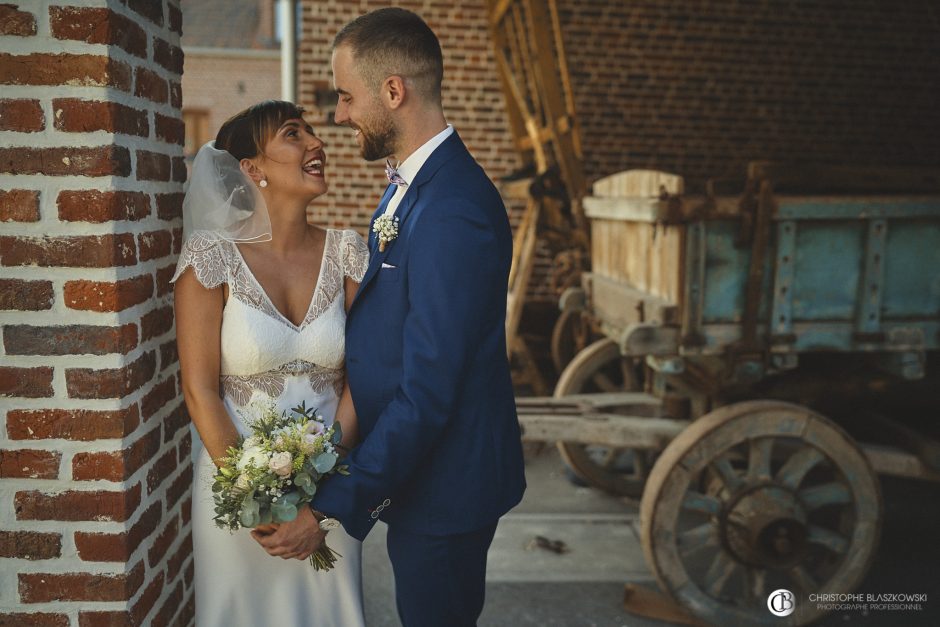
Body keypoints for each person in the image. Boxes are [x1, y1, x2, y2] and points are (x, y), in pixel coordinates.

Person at [252, 8, 527, 626]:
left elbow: (428, 391)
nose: (340, 114)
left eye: (347, 97)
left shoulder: (454, 208)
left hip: (446, 488)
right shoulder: (412, 185)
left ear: (394, 91)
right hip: (420, 479)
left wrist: (325, 507)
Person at [173, 100, 369, 627]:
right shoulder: (211, 257)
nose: (315, 144)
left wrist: (322, 496)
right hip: (239, 498)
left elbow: (364, 380)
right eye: (293, 134)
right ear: (252, 169)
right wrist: (257, 496)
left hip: (331, 492)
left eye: (311, 132)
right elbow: (200, 391)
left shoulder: (350, 253)